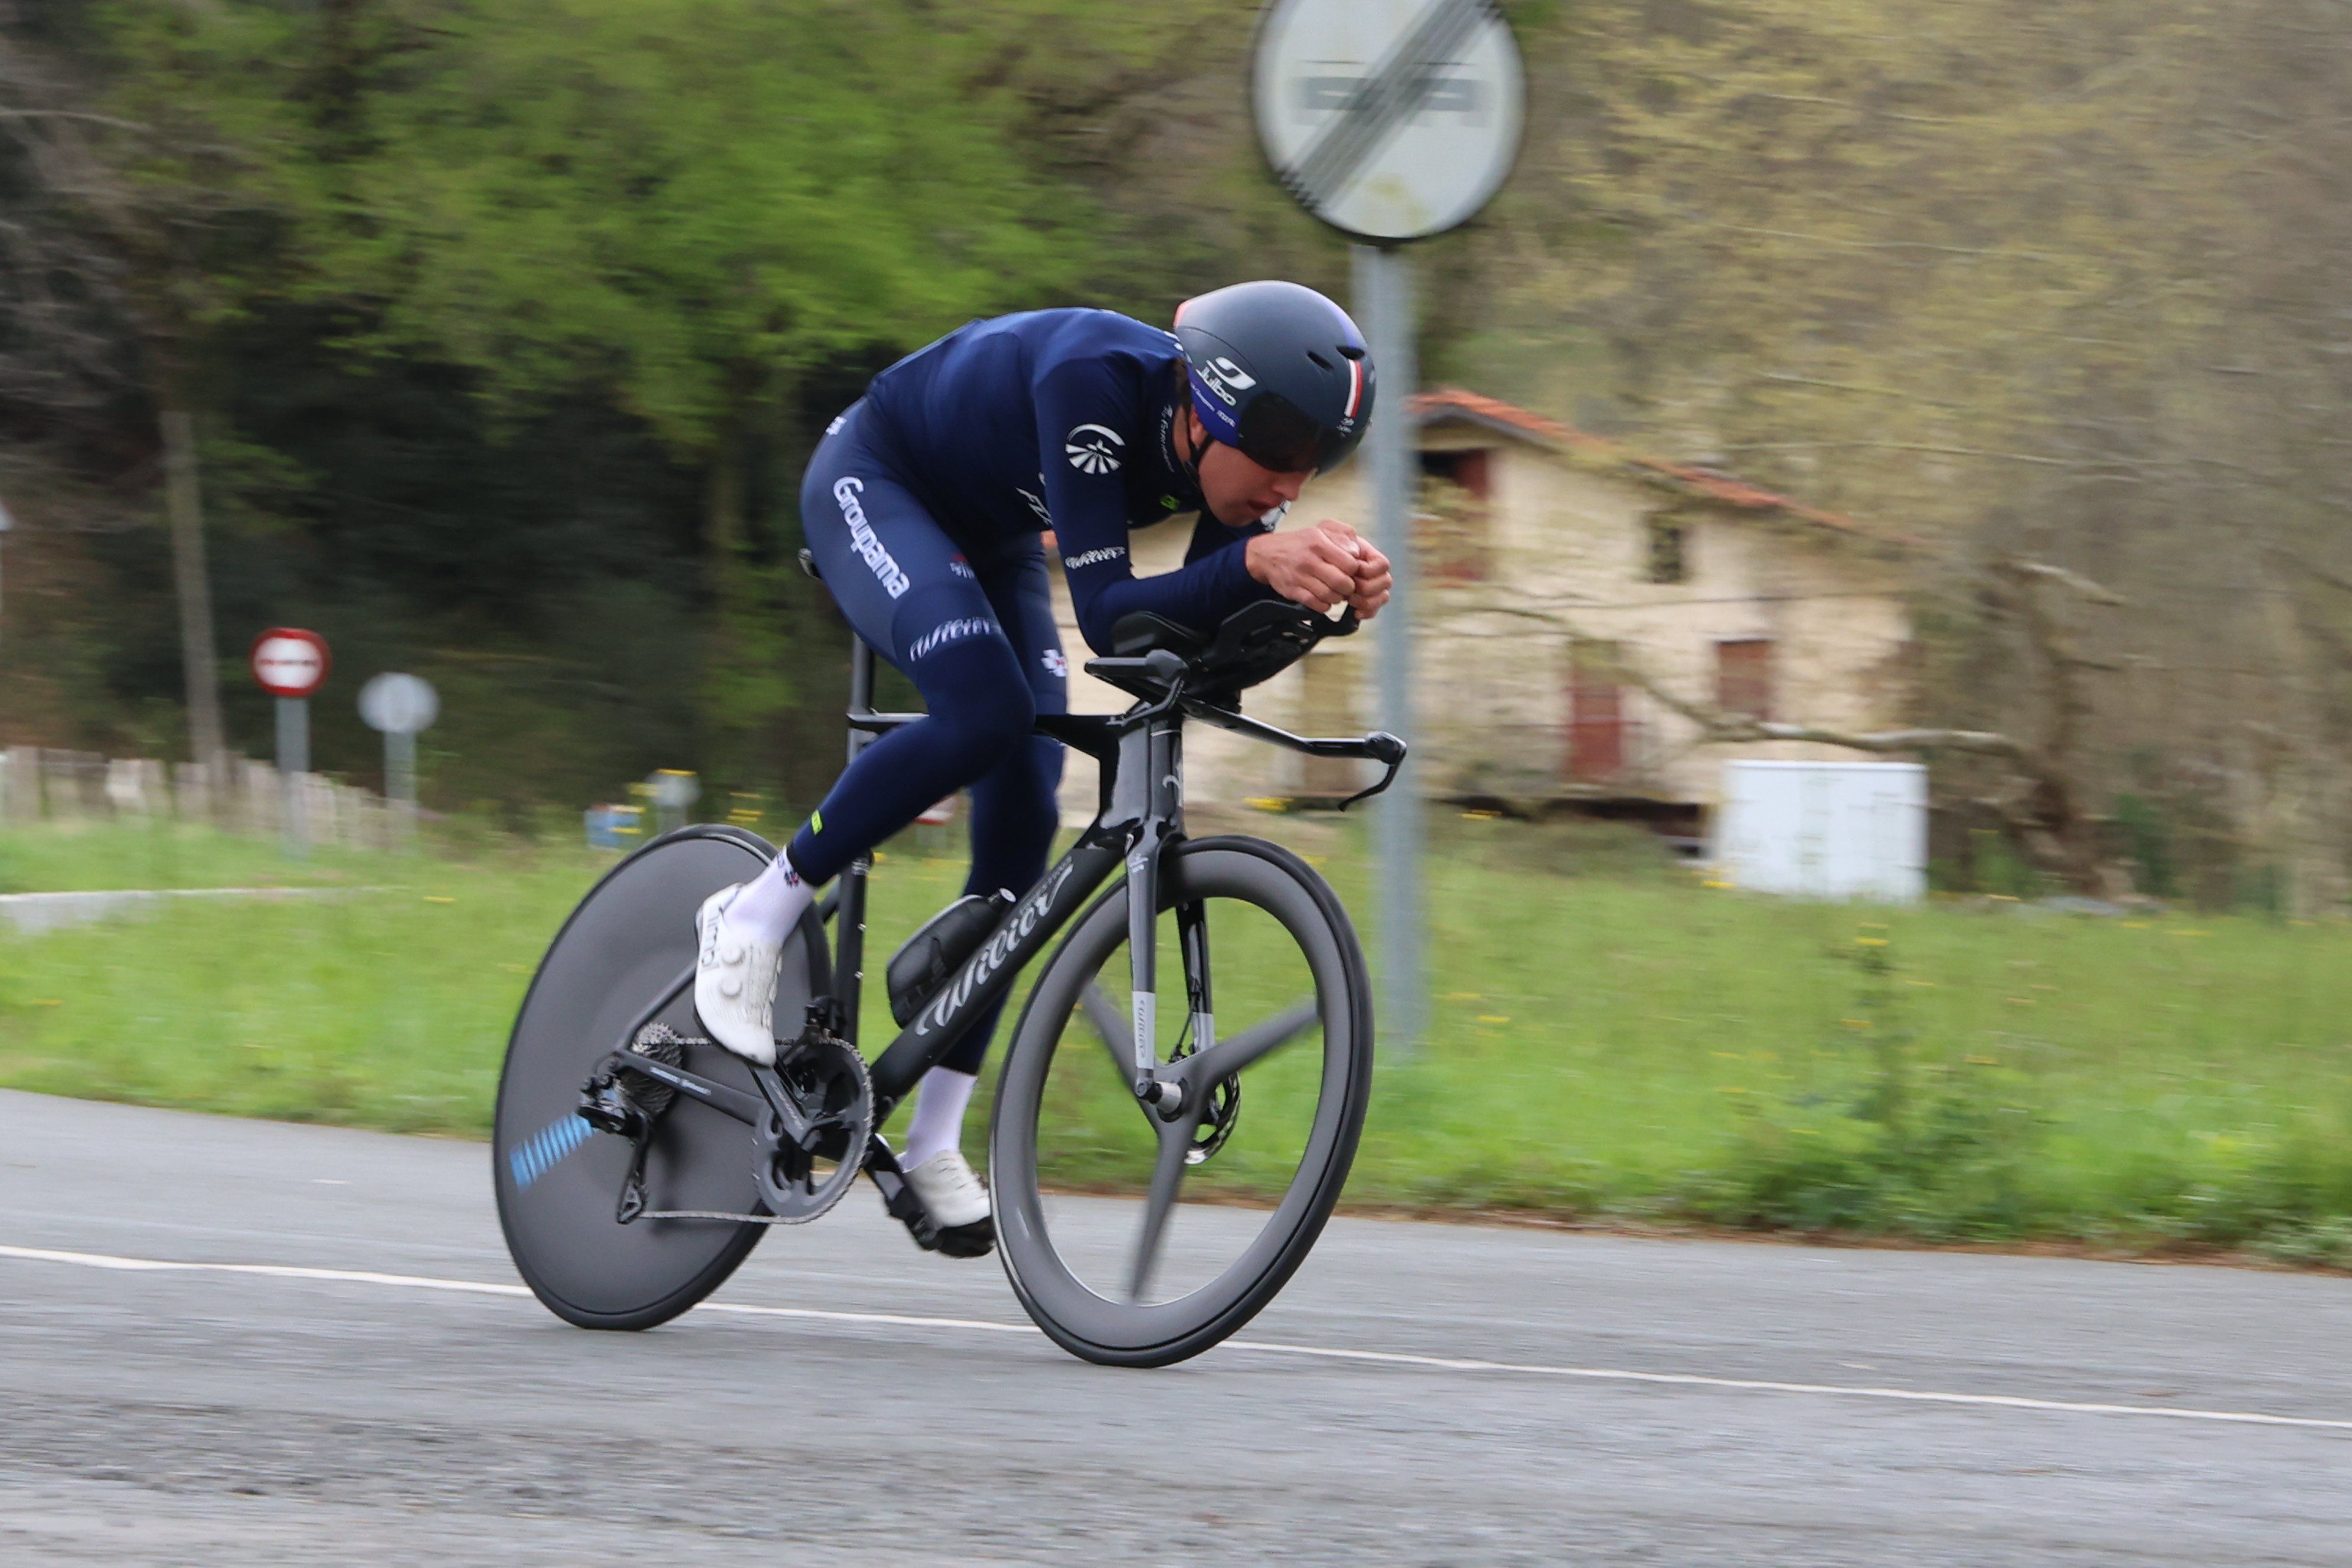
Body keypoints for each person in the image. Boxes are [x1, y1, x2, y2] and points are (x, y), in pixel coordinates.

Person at [692, 280, 1391, 1253]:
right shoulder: (1092, 381)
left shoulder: (1226, 462)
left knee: (1026, 809)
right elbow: (1110, 611)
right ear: (1212, 408)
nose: (1293, 489)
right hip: (878, 478)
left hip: (994, 541)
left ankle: (935, 1136)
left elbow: (1192, 637)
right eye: (1281, 458)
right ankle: (755, 912)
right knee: (987, 712)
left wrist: (1325, 603)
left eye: (1316, 464)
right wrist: (1261, 567)